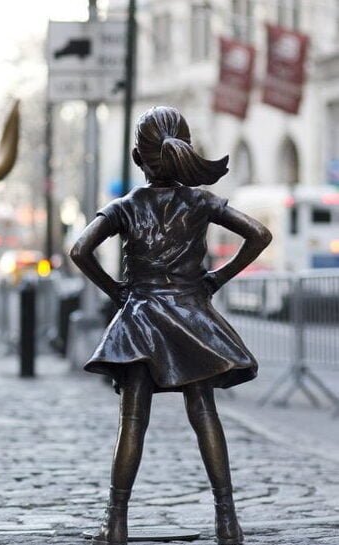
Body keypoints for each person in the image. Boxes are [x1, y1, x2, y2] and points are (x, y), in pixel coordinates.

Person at [69, 106, 271, 545]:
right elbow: (259, 234)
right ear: (182, 151)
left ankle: (116, 522)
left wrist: (117, 291)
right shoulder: (200, 202)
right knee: (204, 413)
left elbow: (80, 250)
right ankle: (227, 521)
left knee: (133, 420)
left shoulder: (124, 206)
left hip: (139, 319)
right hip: (190, 316)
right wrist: (215, 279)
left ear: (138, 158)